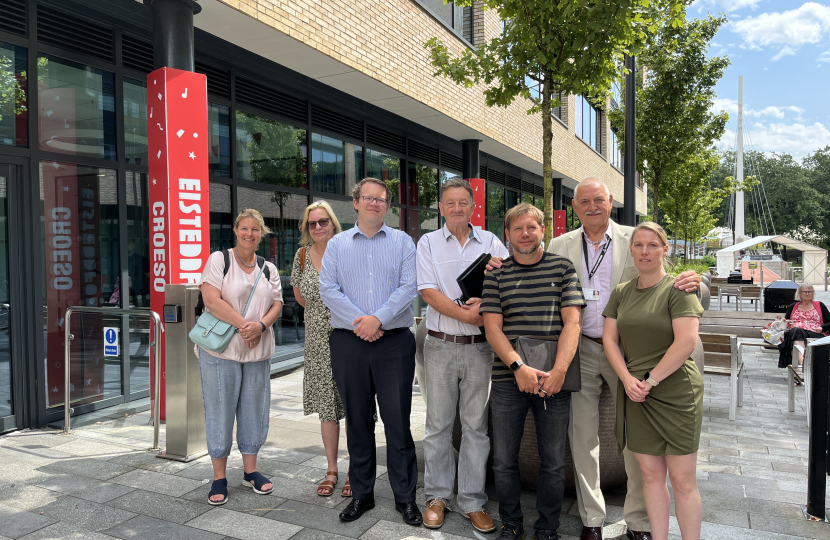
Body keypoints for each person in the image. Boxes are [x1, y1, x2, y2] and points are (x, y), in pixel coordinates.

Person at [547, 178, 699, 540]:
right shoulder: (558, 244)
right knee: (582, 437)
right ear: (574, 206)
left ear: (611, 201)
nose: (592, 207)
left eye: (599, 199)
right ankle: (592, 520)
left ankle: (639, 523)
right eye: (584, 201)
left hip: (630, 354)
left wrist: (698, 280)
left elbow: (673, 281)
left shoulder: (636, 239)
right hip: (579, 348)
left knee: (635, 440)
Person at [319, 178, 422, 526]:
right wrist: (361, 322)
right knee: (357, 423)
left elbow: (409, 287)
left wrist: (377, 319)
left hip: (394, 342)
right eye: (368, 198)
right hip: (348, 342)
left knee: (398, 423)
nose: (375, 203)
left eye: (381, 199)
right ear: (356, 203)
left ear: (387, 205)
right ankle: (362, 495)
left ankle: (405, 498)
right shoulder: (336, 244)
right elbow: (327, 289)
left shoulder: (403, 242)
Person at [480, 203, 585, 540]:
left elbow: (573, 322)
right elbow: (492, 328)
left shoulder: (563, 268)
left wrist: (559, 371)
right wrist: (519, 367)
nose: (525, 234)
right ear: (507, 234)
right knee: (503, 460)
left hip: (555, 378)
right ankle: (512, 524)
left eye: (531, 227)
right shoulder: (495, 274)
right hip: (507, 378)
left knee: (553, 461)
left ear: (543, 230)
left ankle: (547, 527)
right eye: (517, 228)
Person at [416, 178, 509, 533]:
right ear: (441, 208)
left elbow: (509, 278)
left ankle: (472, 501)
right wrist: (468, 315)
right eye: (450, 203)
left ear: (473, 207)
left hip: (481, 350)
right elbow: (428, 292)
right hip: (440, 345)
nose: (457, 208)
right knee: (437, 426)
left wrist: (485, 304)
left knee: (476, 428)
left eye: (463, 203)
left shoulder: (490, 242)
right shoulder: (426, 242)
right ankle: (437, 497)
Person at [602, 222, 704, 540]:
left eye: (652, 245)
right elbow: (609, 341)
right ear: (631, 250)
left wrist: (649, 380)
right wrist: (628, 380)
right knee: (649, 476)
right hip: (636, 394)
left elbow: (686, 342)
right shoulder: (621, 293)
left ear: (665, 250)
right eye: (638, 245)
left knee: (683, 479)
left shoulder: (679, 290)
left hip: (674, 393)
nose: (645, 252)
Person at [196, 209, 284, 506]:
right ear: (236, 230)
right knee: (220, 411)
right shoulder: (219, 260)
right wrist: (245, 325)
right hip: (221, 351)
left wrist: (260, 326)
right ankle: (219, 476)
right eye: (244, 228)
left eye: (255, 229)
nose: (250, 234)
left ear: (262, 233)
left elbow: (277, 304)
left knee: (254, 410)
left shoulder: (268, 267)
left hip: (257, 351)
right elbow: (211, 299)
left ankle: (250, 471)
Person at [291, 201, 354, 497]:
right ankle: (331, 470)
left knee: (355, 406)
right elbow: (301, 297)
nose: (318, 227)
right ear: (306, 228)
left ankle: (357, 470)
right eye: (312, 223)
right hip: (317, 342)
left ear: (333, 223)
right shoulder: (301, 256)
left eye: (323, 221)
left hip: (349, 335)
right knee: (327, 409)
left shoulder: (348, 250)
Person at [778, 282, 830, 371]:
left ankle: (800, 368)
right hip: (796, 334)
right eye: (804, 292)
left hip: (814, 334)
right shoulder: (792, 306)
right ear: (799, 293)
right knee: (796, 332)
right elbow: (786, 322)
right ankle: (802, 364)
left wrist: (822, 328)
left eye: (810, 292)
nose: (807, 294)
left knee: (794, 335)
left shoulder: (819, 305)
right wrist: (788, 324)